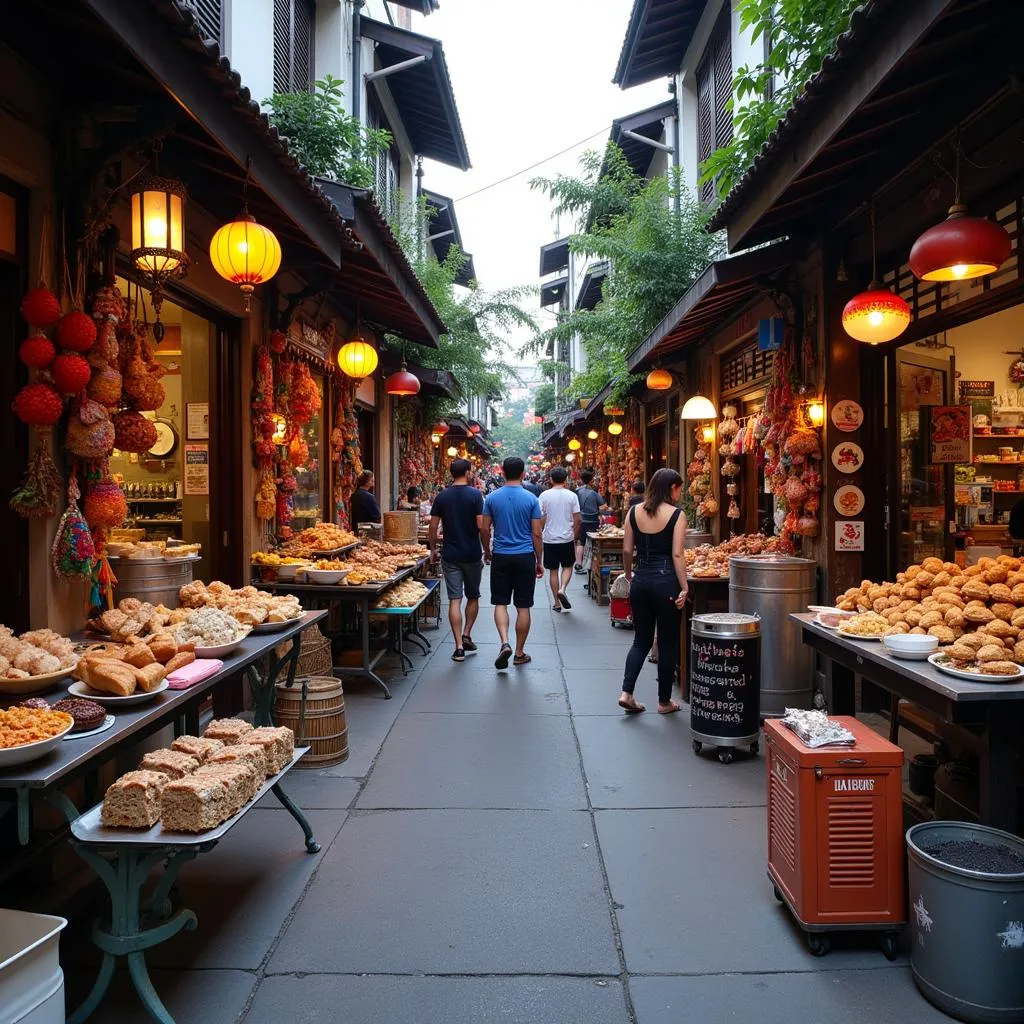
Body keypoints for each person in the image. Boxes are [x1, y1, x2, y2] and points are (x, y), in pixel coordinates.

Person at [618, 468, 687, 715]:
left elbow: (627, 551)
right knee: (667, 643)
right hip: (667, 581)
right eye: (679, 488)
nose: (680, 493)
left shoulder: (634, 511)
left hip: (641, 580)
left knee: (641, 640)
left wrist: (629, 574)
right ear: (671, 488)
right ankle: (664, 701)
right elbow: (677, 554)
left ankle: (627, 692)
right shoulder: (677, 515)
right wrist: (685, 586)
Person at [481, 456, 543, 669]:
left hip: (501, 555)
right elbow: (537, 533)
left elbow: (484, 529)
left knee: (500, 602)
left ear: (502, 472)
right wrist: (539, 560)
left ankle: (504, 642)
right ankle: (518, 652)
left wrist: (487, 551)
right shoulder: (531, 499)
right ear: (523, 473)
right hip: (525, 556)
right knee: (523, 606)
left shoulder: (491, 498)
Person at [429, 459, 485, 662]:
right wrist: (487, 548)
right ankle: (467, 633)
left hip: (450, 554)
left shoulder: (442, 496)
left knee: (454, 599)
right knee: (473, 596)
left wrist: (434, 548)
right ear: (468, 472)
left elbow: (433, 527)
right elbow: (481, 525)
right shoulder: (475, 495)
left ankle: (459, 647)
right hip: (471, 553)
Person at [539, 467, 581, 613]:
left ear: (551, 479)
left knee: (553, 571)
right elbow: (578, 519)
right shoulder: (572, 496)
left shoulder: (544, 495)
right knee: (568, 566)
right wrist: (574, 535)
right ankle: (562, 589)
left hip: (549, 538)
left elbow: (541, 518)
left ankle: (556, 602)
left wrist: (541, 531)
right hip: (566, 538)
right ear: (566, 479)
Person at [574, 468, 609, 573]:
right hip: (593, 521)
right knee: (593, 542)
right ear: (590, 480)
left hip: (581, 520)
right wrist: (598, 509)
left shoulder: (577, 491)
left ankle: (579, 564)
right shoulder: (593, 493)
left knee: (581, 542)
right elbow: (604, 506)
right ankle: (592, 564)